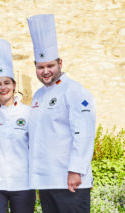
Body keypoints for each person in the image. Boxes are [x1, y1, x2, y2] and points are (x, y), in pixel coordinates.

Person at [27, 14, 96, 212]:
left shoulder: (74, 91)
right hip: (48, 181)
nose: (45, 71)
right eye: (40, 67)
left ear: (60, 63)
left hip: (71, 181)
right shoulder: (38, 96)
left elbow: (83, 133)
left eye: (50, 66)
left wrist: (76, 170)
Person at [0, 39, 35, 213]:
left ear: (14, 85)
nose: (3, 87)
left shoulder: (28, 113)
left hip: (23, 182)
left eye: (6, 83)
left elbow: (35, 144)